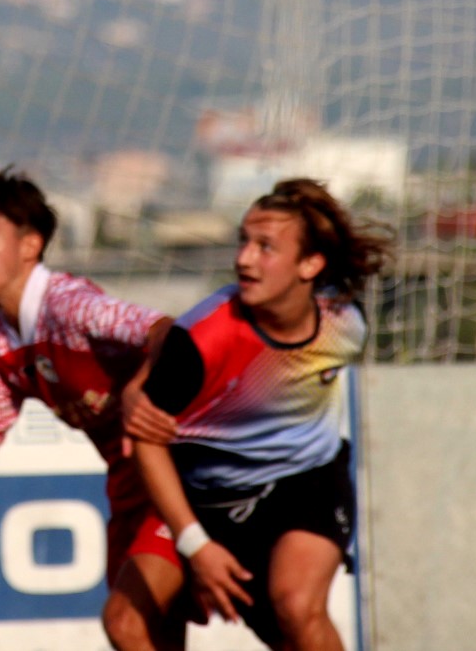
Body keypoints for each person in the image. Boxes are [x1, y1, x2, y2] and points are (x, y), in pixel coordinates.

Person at [0, 166, 187, 650]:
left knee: (127, 622)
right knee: (155, 633)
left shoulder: (69, 305)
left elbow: (168, 331)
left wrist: (137, 387)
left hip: (185, 468)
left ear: (30, 244)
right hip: (130, 485)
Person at [124, 177, 392, 650]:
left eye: (265, 247)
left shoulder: (346, 324)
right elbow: (147, 440)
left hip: (306, 482)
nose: (244, 259)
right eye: (243, 241)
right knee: (127, 623)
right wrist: (195, 544)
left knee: (296, 607)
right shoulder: (203, 339)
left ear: (310, 265)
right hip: (205, 499)